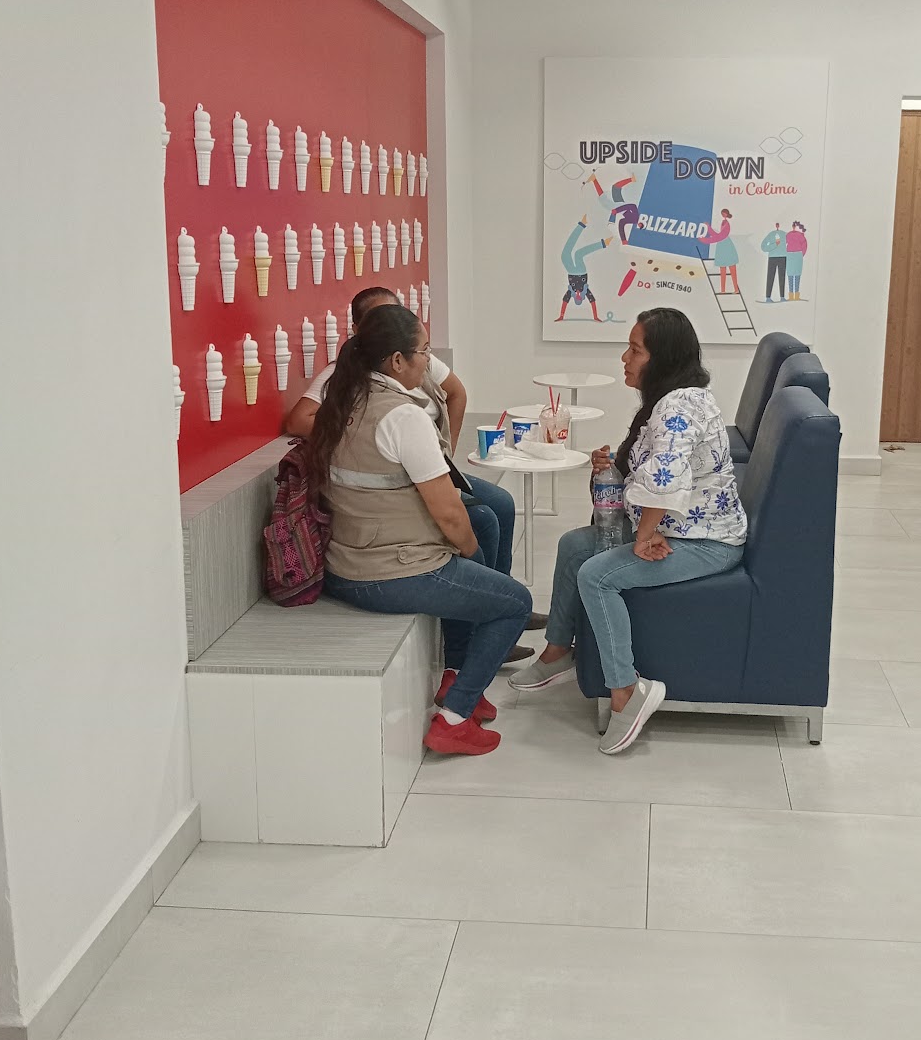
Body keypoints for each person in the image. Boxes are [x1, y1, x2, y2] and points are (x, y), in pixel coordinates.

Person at [511, 308, 747, 756]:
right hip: (682, 527)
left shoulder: (678, 407)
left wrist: (644, 535)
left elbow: (664, 479)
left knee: (597, 575)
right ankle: (558, 652)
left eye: (635, 350)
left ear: (662, 358)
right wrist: (610, 471)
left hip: (706, 541)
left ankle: (626, 690)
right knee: (574, 545)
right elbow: (651, 470)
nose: (625, 358)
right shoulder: (673, 398)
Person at [311, 304, 532, 756]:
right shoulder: (403, 416)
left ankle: (456, 676)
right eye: (424, 352)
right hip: (388, 572)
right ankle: (454, 720)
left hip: (344, 563)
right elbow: (449, 515)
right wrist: (469, 553)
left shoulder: (344, 397)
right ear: (397, 361)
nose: (429, 361)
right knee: (513, 602)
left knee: (476, 557)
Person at [286, 287, 542, 654]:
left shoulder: (418, 363)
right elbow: (300, 420)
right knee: (480, 522)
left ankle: (492, 610)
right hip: (389, 511)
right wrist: (348, 429)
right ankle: (480, 625)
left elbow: (457, 394)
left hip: (424, 471)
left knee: (498, 504)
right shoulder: (349, 383)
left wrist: (443, 455)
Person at [556, 216, 613, 322]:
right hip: (581, 272)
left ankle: (582, 225)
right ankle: (603, 243)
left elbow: (564, 302)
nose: (578, 295)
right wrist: (595, 316)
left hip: (571, 271)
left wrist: (561, 316)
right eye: (580, 298)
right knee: (579, 254)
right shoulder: (586, 291)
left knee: (565, 255)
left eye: (576, 298)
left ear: (574, 298)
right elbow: (592, 302)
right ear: (582, 298)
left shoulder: (570, 292)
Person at [700, 207, 739, 294]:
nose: (722, 215)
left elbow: (719, 237)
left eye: (723, 213)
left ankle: (736, 289)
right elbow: (716, 235)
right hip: (722, 247)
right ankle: (723, 290)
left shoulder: (727, 224)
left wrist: (705, 240)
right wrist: (708, 227)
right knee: (722, 270)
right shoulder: (723, 222)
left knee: (732, 269)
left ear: (726, 214)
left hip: (727, 247)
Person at [761, 221, 788, 302]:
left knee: (782, 277)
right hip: (773, 257)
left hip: (782, 257)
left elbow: (791, 244)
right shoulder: (771, 234)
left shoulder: (785, 234)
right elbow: (763, 247)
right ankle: (768, 297)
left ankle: (782, 297)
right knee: (770, 277)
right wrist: (775, 245)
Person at [786, 220, 808, 299]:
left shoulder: (790, 235)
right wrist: (801, 254)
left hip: (794, 254)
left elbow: (804, 245)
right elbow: (804, 246)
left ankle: (794, 295)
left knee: (794, 275)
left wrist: (801, 254)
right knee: (792, 275)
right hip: (793, 255)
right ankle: (793, 295)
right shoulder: (789, 235)